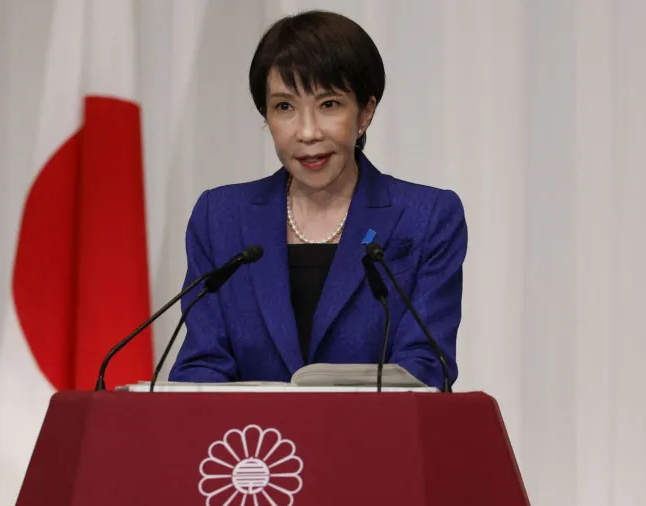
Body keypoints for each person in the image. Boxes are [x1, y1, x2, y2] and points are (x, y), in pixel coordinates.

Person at [167, 10, 467, 389]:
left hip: (375, 442)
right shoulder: (221, 218)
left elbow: (425, 366)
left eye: (329, 104)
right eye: (285, 107)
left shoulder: (425, 217)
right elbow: (202, 364)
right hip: (254, 445)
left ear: (365, 113)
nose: (307, 132)